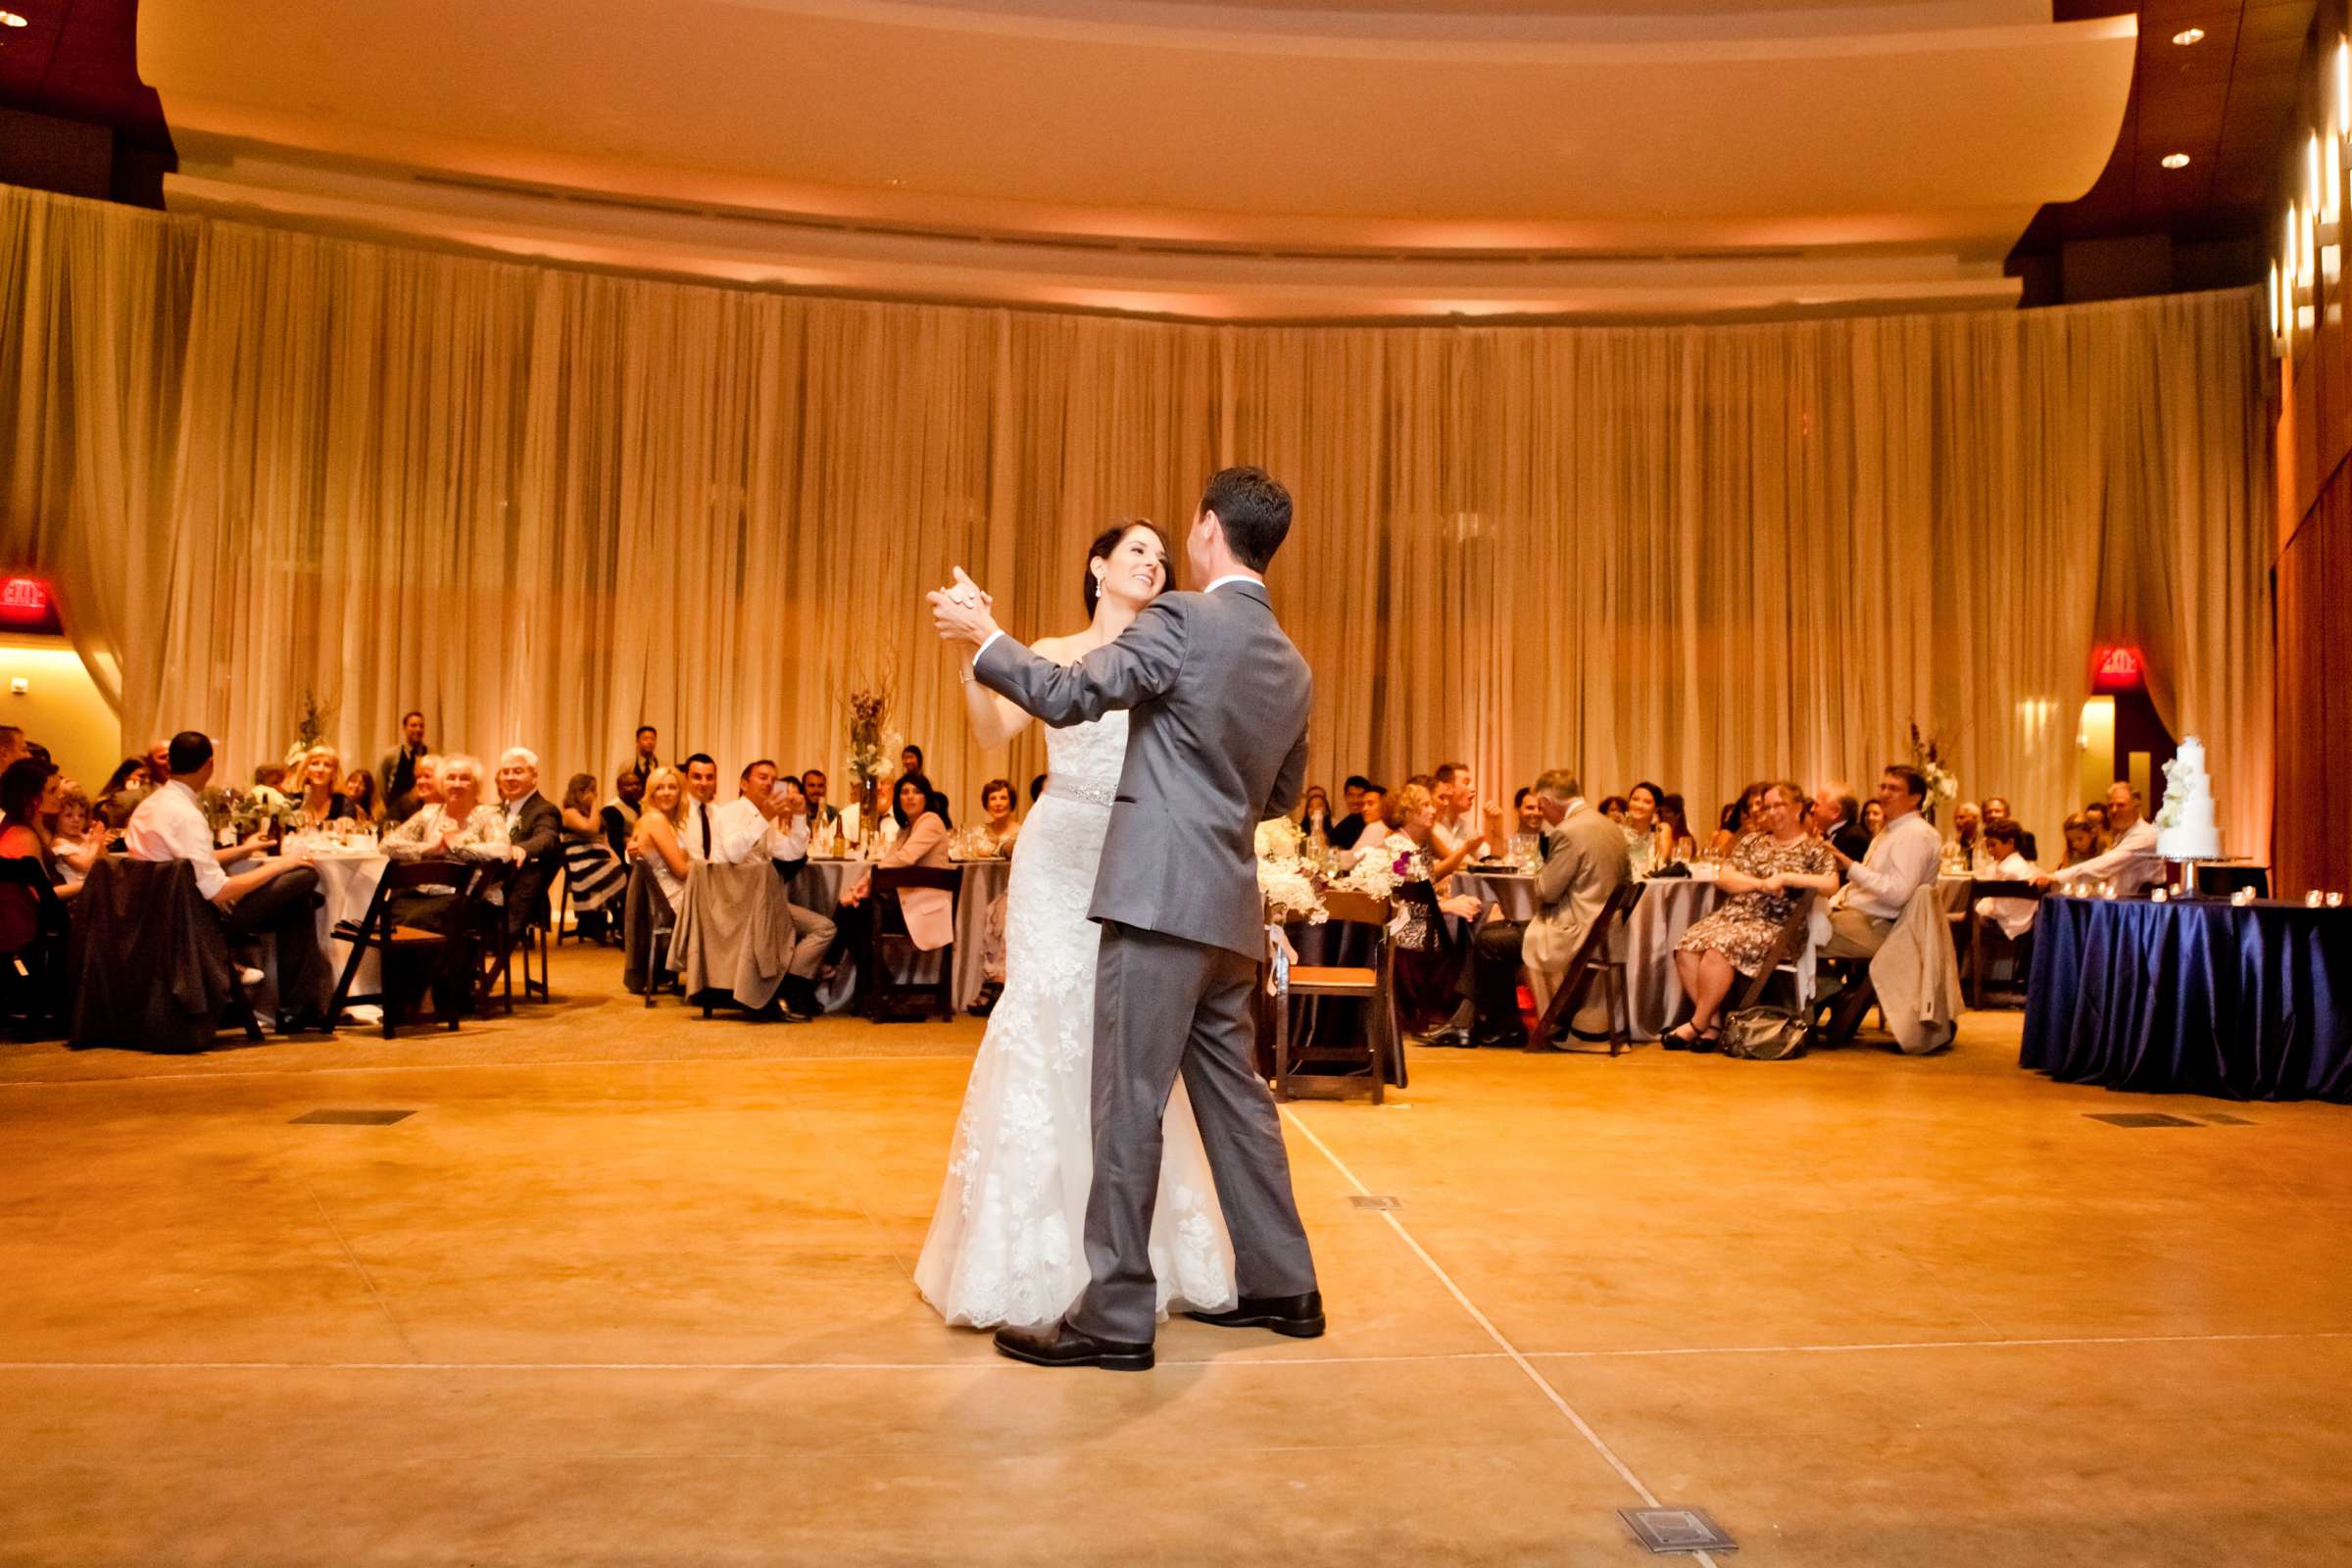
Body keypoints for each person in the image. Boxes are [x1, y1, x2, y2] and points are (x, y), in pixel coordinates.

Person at [933, 467, 1318, 1370]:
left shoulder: (1180, 621)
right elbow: (1284, 793)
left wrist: (985, 637)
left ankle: (1112, 1316)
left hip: (1150, 896)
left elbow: (1067, 697)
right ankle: (1284, 1286)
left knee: (1127, 1100)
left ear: (1207, 530)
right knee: (1236, 1103)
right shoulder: (1290, 660)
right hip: (1223, 902)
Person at [124, 731, 332, 1032]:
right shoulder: (185, 814)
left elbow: (189, 865)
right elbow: (219, 892)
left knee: (298, 904)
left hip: (159, 911)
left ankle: (299, 1009)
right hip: (196, 920)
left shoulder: (152, 806)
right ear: (209, 765)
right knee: (306, 876)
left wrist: (244, 850)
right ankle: (301, 1007)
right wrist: (282, 865)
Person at [1446, 769, 1632, 1050]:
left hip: (1575, 929)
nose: (1543, 815)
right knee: (1495, 932)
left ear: (1547, 800)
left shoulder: (1569, 832)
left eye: (1542, 807)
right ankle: (1473, 1022)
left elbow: (1546, 892)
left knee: (1488, 940)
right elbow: (1627, 879)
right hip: (1605, 928)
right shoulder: (1608, 826)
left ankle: (1500, 1028)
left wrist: (1541, 871)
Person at [1670, 781, 1838, 1049]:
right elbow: (1724, 877)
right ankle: (1710, 1024)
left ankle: (1696, 1024)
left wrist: (1787, 877)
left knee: (1718, 949)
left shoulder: (1814, 850)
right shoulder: (1752, 841)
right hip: (1733, 917)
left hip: (1777, 925)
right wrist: (1761, 884)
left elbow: (1830, 884)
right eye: (1767, 807)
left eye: (1778, 805)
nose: (1771, 812)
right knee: (1686, 948)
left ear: (1797, 808)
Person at [710, 760, 832, 1017]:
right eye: (762, 777)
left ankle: (785, 987)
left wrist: (799, 818)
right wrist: (765, 817)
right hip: (735, 903)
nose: (769, 783)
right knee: (817, 927)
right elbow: (733, 853)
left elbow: (792, 852)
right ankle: (780, 992)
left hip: (762, 904)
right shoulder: (731, 812)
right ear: (744, 784)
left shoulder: (761, 817)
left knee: (824, 928)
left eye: (772, 779)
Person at [1822, 765, 1942, 961]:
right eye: (1882, 787)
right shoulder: (1892, 831)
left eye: (1893, 789)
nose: (1884, 794)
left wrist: (1851, 867)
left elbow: (1898, 894)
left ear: (1915, 798)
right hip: (1864, 918)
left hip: (1885, 928)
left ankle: (1824, 991)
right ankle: (1827, 990)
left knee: (1797, 934)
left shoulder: (1916, 834)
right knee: (1796, 928)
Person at [840, 772, 956, 944]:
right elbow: (890, 860)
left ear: (926, 798)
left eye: (916, 792)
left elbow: (905, 858)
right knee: (850, 909)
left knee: (851, 912)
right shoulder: (906, 829)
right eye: (904, 792)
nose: (910, 797)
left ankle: (830, 965)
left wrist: (868, 877)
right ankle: (839, 967)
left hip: (925, 909)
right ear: (898, 798)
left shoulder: (931, 820)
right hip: (906, 903)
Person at [0, 759, 79, 958]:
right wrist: (91, 881)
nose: (61, 795)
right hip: (24, 937)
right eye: (52, 791)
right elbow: (42, 895)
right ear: (32, 798)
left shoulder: (35, 823)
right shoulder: (22, 835)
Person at [491, 748, 564, 941]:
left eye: (517, 771)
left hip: (517, 890)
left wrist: (522, 848)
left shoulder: (545, 810)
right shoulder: (492, 811)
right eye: (505, 772)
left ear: (534, 777)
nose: (510, 777)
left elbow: (547, 837)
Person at [2039, 781, 2161, 896]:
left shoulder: (2146, 835)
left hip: (2145, 909)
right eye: (2110, 805)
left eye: (2121, 805)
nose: (2114, 810)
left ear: (2137, 808)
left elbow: (2105, 865)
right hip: (2124, 905)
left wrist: (2056, 877)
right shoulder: (2121, 837)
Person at [557, 773, 626, 942]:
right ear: (580, 792)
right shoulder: (569, 812)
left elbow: (603, 838)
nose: (595, 794)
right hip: (581, 860)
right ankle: (621, 926)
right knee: (620, 878)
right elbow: (591, 829)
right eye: (592, 790)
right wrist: (595, 804)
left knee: (624, 871)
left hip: (598, 856)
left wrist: (615, 856)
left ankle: (621, 924)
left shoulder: (592, 813)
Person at [626, 766, 691, 915]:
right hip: (667, 902)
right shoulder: (656, 820)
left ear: (680, 792)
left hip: (670, 896)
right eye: (659, 788)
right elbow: (681, 871)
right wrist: (707, 866)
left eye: (672, 787)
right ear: (652, 793)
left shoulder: (669, 822)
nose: (666, 793)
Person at [1973, 820, 2039, 942]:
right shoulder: (2014, 863)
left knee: (1972, 918)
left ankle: (1975, 958)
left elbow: (2002, 910)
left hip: (2012, 924)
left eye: (1993, 845)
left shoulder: (2010, 870)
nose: (1989, 850)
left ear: (2010, 843)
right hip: (2016, 919)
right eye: (1987, 845)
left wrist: (1981, 909)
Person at [289, 746, 358, 832]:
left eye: (327, 765)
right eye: (314, 764)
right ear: (305, 770)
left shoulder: (344, 804)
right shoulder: (294, 801)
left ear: (334, 773)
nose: (320, 770)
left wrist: (347, 823)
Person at [378, 710, 429, 819]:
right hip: (395, 813)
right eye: (413, 725)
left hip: (424, 813)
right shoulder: (391, 755)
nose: (418, 729)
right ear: (404, 728)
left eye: (421, 726)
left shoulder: (431, 755)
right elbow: (382, 786)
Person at [1810, 782, 1872, 862]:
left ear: (1835, 812)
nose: (1812, 809)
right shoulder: (1841, 835)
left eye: (1817, 805)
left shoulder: (1853, 839)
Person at [677, 754, 722, 862]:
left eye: (709, 777)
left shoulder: (717, 812)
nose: (704, 783)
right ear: (685, 778)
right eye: (697, 777)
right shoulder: (676, 810)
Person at [1622, 780, 1675, 872]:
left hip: (1652, 883)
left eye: (1647, 802)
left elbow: (1660, 863)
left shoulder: (1661, 829)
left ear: (1656, 808)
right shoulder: (1619, 830)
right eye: (1635, 799)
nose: (1639, 805)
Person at [1431, 762, 1479, 857]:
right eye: (1466, 783)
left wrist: (1495, 824)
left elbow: (1486, 857)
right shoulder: (1431, 824)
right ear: (1447, 788)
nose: (1474, 789)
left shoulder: (1465, 827)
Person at [1708, 782, 1769, 856]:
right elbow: (1719, 857)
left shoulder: (1779, 833)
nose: (1753, 809)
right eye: (1750, 806)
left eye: (1758, 803)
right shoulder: (1748, 837)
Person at [602, 769, 645, 860]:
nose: (635, 787)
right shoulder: (611, 809)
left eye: (637, 784)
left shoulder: (642, 806)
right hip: (622, 860)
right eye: (629, 785)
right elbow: (614, 842)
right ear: (619, 787)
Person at [972, 777, 1021, 858]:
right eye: (993, 798)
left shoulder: (1021, 834)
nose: (998, 803)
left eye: (1003, 798)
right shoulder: (980, 832)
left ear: (1011, 802)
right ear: (986, 804)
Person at [1329, 782, 1384, 853]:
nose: (1364, 808)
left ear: (1384, 805)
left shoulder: (1376, 827)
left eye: (1370, 804)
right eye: (1364, 804)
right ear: (1344, 797)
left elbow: (1353, 857)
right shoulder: (1342, 826)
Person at [1982, 796, 2038, 861]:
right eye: (1989, 812)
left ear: (2006, 814)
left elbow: (2030, 866)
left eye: (1997, 811)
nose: (1993, 815)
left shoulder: (2024, 837)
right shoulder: (1978, 838)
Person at [800, 767, 841, 843]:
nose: (816, 790)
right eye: (811, 785)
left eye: (820, 786)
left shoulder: (835, 814)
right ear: (803, 788)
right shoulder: (796, 815)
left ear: (825, 788)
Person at [619, 725, 661, 792]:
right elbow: (621, 789)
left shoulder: (663, 766)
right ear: (637, 741)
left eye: (653, 739)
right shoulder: (627, 766)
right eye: (645, 739)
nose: (650, 742)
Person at [1657, 792, 1698, 860]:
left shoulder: (1684, 836)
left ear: (1678, 815)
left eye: (1667, 812)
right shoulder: (1658, 831)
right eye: (1662, 812)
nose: (1663, 815)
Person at [1948, 800, 1985, 868]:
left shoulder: (1986, 839)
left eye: (1961, 817)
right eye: (1955, 818)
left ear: (1975, 818)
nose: (1957, 821)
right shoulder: (1952, 842)